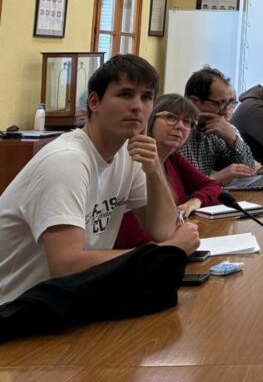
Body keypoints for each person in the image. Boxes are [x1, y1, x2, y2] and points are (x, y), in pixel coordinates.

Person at [0, 55, 199, 305]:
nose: (137, 106)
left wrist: (155, 169)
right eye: (125, 94)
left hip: (67, 299)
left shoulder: (129, 152)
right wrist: (167, 252)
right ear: (94, 102)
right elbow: (66, 264)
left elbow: (163, 231)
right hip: (14, 307)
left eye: (146, 97)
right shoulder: (67, 160)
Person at [115, 94, 222, 248]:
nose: (180, 126)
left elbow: (212, 186)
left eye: (187, 122)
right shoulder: (133, 159)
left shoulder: (173, 158)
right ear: (150, 119)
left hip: (171, 245)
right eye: (171, 117)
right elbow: (133, 237)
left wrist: (195, 201)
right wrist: (177, 240)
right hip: (145, 253)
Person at [181, 66, 258, 186]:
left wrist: (233, 139)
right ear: (194, 102)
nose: (226, 112)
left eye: (230, 104)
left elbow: (249, 171)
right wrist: (215, 179)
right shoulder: (176, 131)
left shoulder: (219, 131)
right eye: (220, 103)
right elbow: (177, 190)